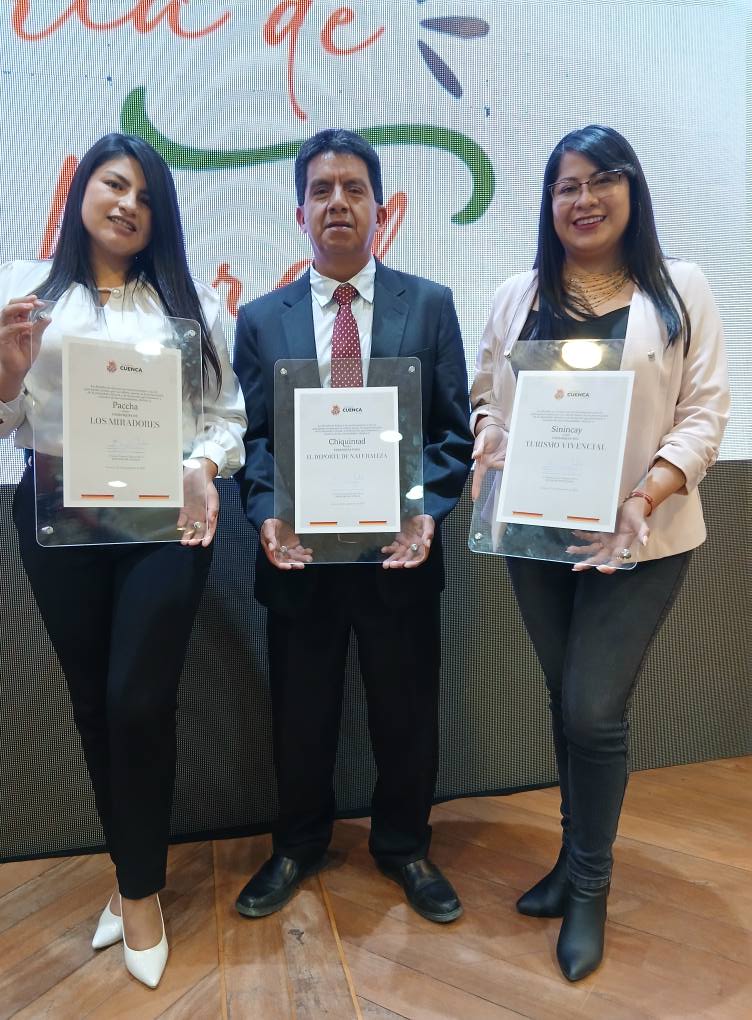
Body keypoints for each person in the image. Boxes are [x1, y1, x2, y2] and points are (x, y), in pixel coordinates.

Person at [470, 125, 729, 981]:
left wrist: (642, 497)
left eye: (600, 180)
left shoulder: (681, 289)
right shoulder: (517, 296)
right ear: (549, 203)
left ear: (631, 190)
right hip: (538, 533)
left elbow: (704, 412)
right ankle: (570, 858)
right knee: (566, 699)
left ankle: (589, 886)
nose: (583, 200)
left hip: (641, 539)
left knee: (592, 709)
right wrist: (488, 436)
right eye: (565, 186)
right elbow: (488, 396)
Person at [0, 133, 246, 988]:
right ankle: (130, 870)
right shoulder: (25, 293)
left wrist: (202, 466)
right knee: (91, 705)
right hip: (58, 521)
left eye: (145, 195)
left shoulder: (192, 306)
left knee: (138, 702)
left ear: (161, 213)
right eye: (113, 184)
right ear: (82, 193)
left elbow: (226, 418)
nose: (127, 204)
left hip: (161, 522)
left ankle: (140, 894)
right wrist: (6, 377)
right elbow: (6, 423)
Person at [233, 129, 473, 924]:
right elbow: (253, 439)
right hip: (299, 556)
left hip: (397, 555)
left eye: (355, 188)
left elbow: (452, 434)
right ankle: (298, 843)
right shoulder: (260, 320)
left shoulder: (428, 305)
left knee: (405, 714)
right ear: (299, 210)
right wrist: (266, 513)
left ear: (379, 207)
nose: (338, 201)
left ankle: (404, 846)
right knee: (300, 716)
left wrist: (426, 513)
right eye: (322, 189)